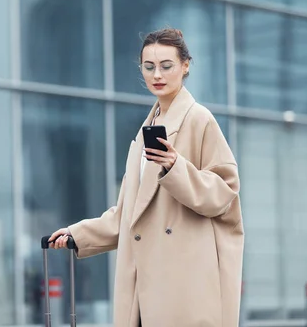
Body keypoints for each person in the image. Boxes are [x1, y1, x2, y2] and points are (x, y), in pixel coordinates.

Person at [47, 28, 244, 327]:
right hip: (143, 284)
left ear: (185, 65)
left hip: (183, 283)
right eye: (149, 67)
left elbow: (224, 192)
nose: (157, 75)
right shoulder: (145, 132)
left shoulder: (199, 119)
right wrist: (78, 234)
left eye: (166, 66)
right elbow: (130, 214)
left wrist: (175, 167)